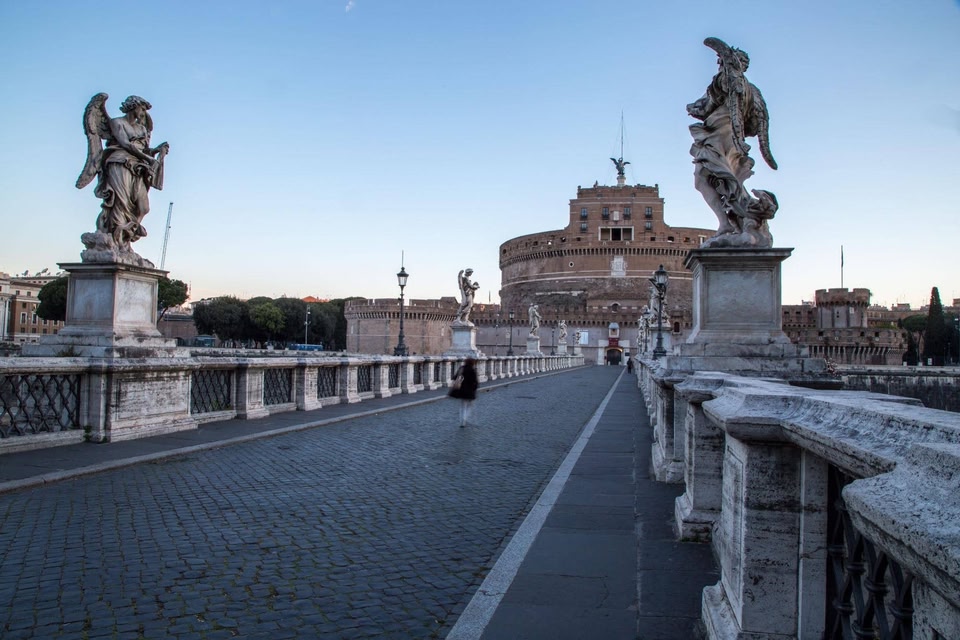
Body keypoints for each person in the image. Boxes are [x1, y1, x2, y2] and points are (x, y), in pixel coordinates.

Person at [77, 93, 170, 255]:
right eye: (142, 109)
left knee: (143, 207)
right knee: (120, 204)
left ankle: (127, 234)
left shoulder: (141, 128)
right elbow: (126, 144)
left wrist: (156, 151)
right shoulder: (117, 123)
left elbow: (143, 149)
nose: (143, 113)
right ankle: (117, 242)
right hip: (119, 164)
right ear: (133, 107)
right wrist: (148, 158)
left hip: (138, 168)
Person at [449, 358, 479, 427]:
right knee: (469, 405)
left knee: (462, 406)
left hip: (461, 390)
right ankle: (465, 418)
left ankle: (462, 421)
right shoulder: (473, 370)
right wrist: (475, 389)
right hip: (470, 390)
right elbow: (475, 382)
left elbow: (455, 377)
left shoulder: (462, 368)